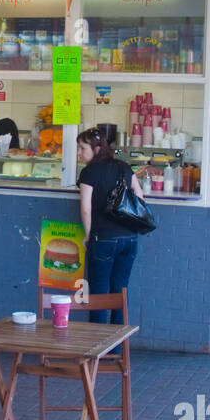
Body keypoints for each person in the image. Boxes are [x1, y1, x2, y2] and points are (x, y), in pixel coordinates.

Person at [76, 126, 146, 324]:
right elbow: (140, 197)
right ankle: (117, 351)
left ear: (97, 149)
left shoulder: (89, 173)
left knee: (98, 294)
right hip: (129, 239)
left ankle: (97, 350)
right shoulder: (123, 166)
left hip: (103, 239)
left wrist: (88, 235)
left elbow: (86, 209)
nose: (79, 153)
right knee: (120, 291)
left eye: (82, 148)